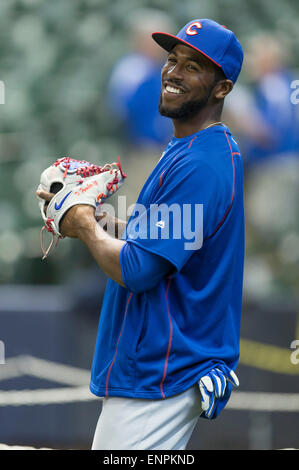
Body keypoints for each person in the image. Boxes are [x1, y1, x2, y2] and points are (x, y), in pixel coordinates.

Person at [37, 19, 245, 450]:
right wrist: (100, 220)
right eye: (172, 60)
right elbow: (160, 240)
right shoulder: (193, 149)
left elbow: (137, 269)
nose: (173, 72)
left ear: (222, 88)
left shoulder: (201, 164)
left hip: (160, 372)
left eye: (193, 67)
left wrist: (84, 223)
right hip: (164, 369)